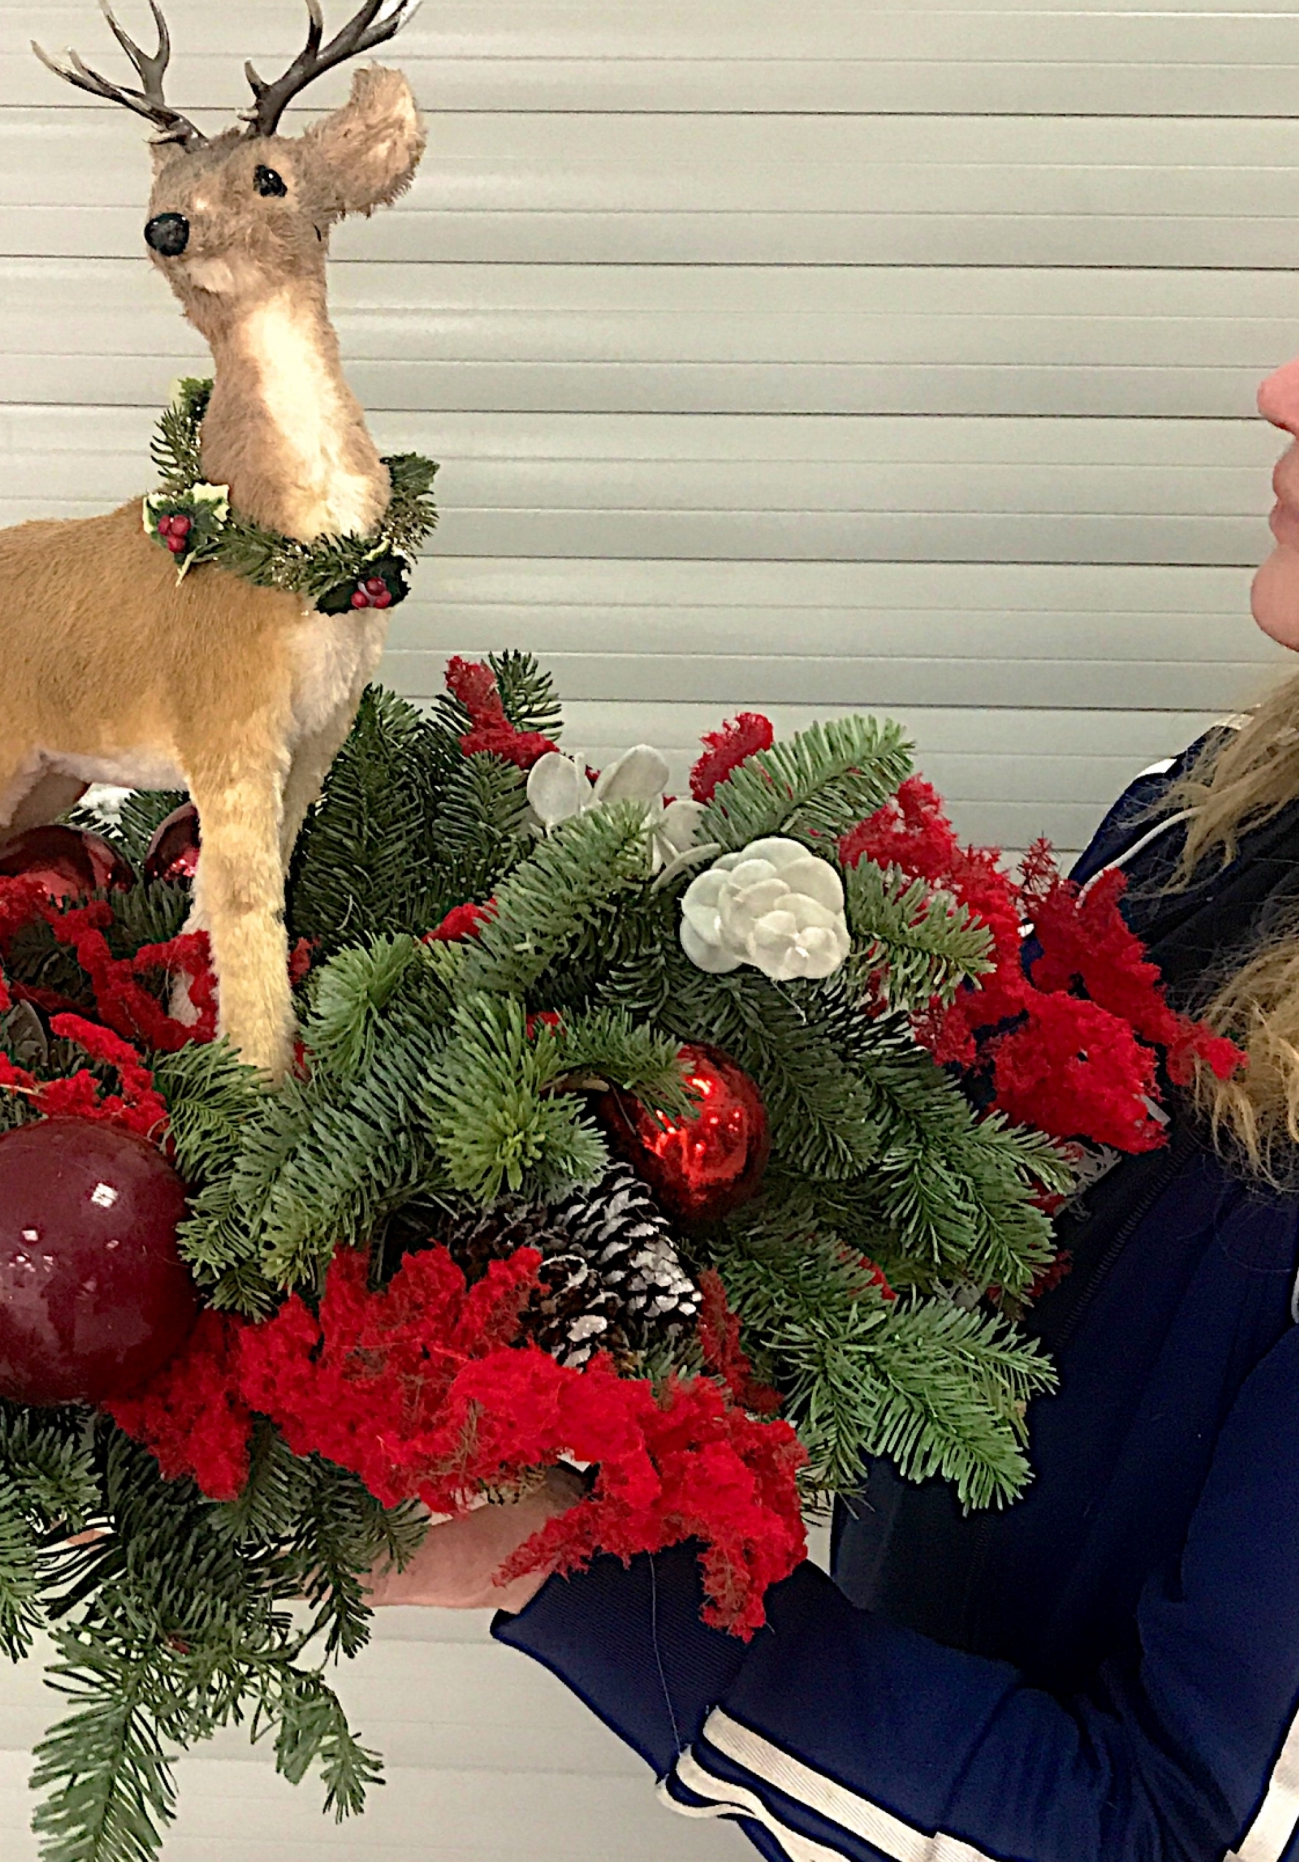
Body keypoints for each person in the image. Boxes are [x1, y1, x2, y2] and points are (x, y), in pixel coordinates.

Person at [366, 358, 1299, 1862]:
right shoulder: (1208, 814)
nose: (1279, 390)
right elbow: (941, 1225)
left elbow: (1167, 1834)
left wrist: (566, 1568)